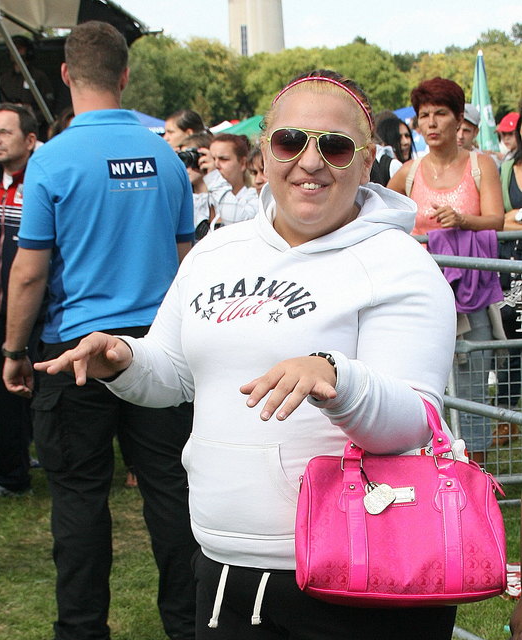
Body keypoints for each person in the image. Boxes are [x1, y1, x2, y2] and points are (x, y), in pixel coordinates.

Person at [34, 69, 458, 640]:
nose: (310, 162)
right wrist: (124, 359)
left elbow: (414, 422)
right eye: (290, 142)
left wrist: (336, 377)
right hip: (223, 561)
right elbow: (174, 374)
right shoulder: (217, 251)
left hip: (359, 571)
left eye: (334, 147)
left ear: (365, 163)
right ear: (265, 153)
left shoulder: (400, 264)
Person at [2, 21, 197, 640]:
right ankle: (190, 626)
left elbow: (29, 272)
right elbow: (187, 260)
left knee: (79, 497)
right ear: (125, 76)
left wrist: (13, 350)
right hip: (157, 347)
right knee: (172, 492)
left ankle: (82, 630)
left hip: (74, 352)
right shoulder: (165, 157)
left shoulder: (52, 159)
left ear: (65, 74)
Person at [388, 77, 504, 464]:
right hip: (419, 298)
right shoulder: (408, 172)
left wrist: (462, 220)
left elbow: (496, 219)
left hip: (471, 295)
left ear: (458, 120)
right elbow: (379, 214)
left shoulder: (481, 165)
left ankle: (476, 474)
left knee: (472, 388)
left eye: (441, 113)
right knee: (420, 385)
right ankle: (427, 470)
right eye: (424, 115)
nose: (432, 123)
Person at [0, 103, 41, 501]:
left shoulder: (42, 183)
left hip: (40, 309)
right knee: (5, 396)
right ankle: (11, 475)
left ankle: (52, 460)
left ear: (30, 140)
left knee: (44, 392)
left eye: (5, 132)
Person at [496, 108, 522, 444]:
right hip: (511, 271)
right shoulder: (505, 169)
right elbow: (497, 220)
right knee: (515, 344)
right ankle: (505, 416)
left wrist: (514, 217)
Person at [0, 35, 55, 140]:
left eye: (19, 48)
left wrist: (31, 117)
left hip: (36, 130)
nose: (15, 51)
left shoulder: (39, 76)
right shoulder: (4, 79)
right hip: (9, 130)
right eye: (13, 48)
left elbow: (49, 105)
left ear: (28, 51)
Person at [198, 132, 259, 226]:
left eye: (223, 159)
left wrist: (213, 177)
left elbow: (238, 222)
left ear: (243, 163)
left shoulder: (256, 197)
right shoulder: (205, 200)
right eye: (212, 159)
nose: (215, 165)